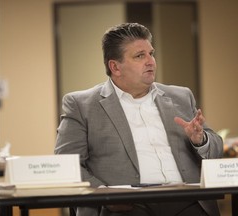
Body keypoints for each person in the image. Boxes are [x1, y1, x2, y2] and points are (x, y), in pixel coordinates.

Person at [55, 23, 223, 216]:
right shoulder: (82, 105)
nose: (151, 61)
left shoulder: (181, 96)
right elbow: (66, 165)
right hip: (125, 205)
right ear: (115, 67)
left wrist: (200, 141)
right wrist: (104, 195)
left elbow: (217, 151)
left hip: (186, 200)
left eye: (151, 53)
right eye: (140, 56)